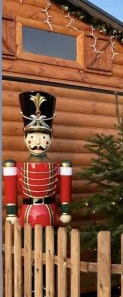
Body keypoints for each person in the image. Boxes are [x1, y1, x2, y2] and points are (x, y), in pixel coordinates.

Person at [3, 90, 72, 227]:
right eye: (33, 137)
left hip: (51, 213)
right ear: (25, 138)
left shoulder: (61, 166)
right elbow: (10, 187)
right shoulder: (14, 166)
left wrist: (65, 211)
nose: (38, 142)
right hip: (26, 214)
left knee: (52, 238)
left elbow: (65, 187)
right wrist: (11, 213)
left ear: (51, 138)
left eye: (43, 137)